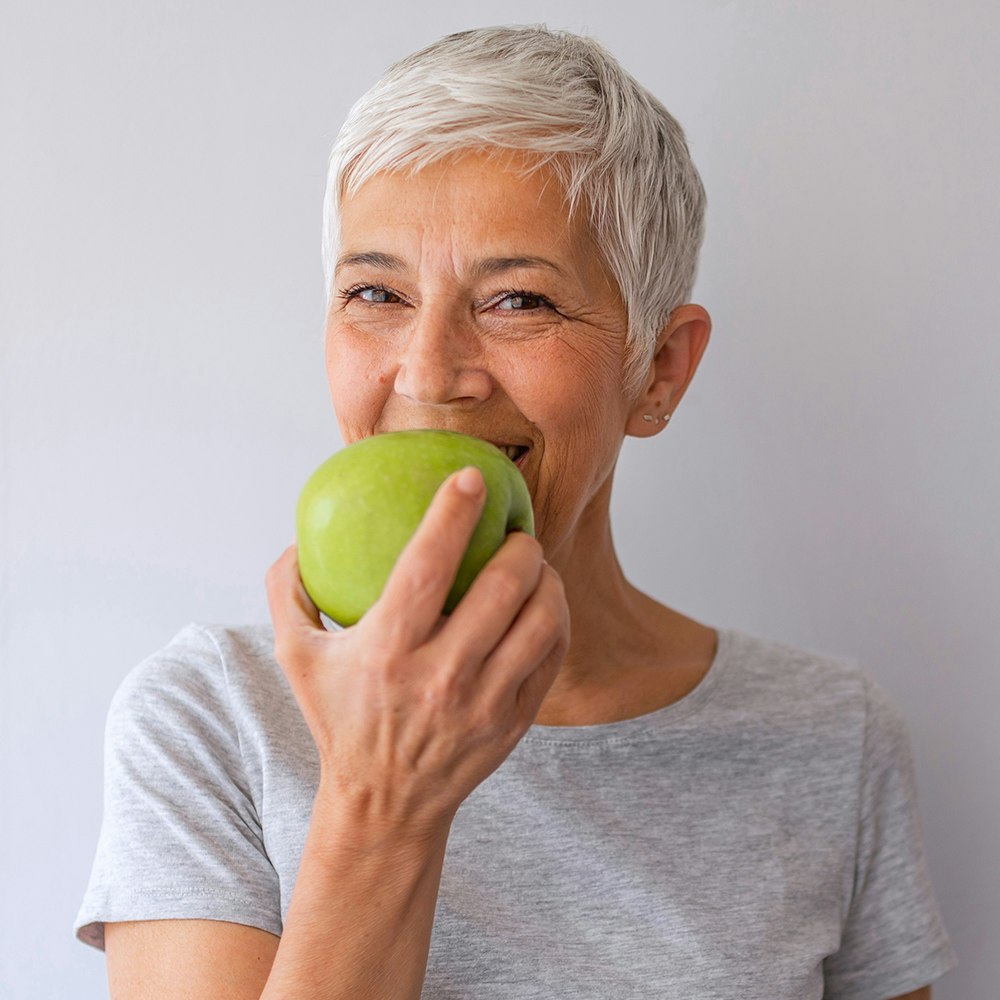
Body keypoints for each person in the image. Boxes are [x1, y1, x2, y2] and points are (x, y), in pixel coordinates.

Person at [75, 24, 956, 1000]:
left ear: (658, 369)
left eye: (518, 302)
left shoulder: (830, 735)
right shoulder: (210, 719)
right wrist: (384, 804)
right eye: (375, 291)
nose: (428, 373)